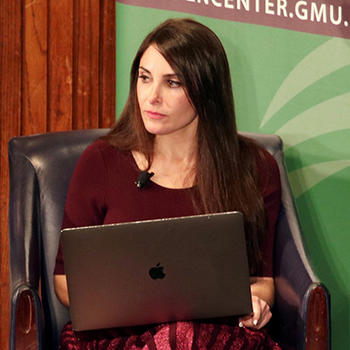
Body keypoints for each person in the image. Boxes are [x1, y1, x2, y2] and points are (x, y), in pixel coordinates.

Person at [54, 18, 282, 349]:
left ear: (207, 91)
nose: (152, 97)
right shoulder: (100, 160)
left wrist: (255, 305)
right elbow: (64, 281)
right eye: (145, 78)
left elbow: (262, 283)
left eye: (172, 83)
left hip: (215, 337)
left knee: (188, 338)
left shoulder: (255, 168)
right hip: (118, 337)